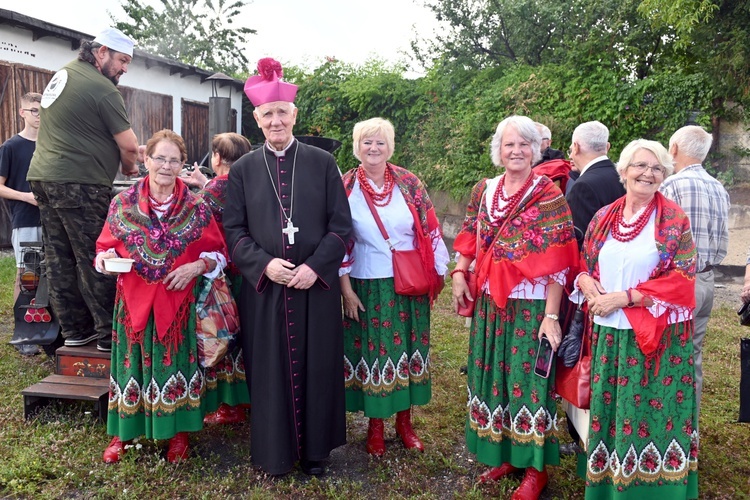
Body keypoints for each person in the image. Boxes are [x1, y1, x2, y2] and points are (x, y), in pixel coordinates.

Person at [224, 58, 353, 476]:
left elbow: (341, 226)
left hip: (314, 287)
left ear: (294, 115)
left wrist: (316, 268)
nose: (275, 120)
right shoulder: (242, 170)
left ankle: (316, 452)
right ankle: (275, 451)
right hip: (268, 290)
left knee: (317, 365)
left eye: (282, 112)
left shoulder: (322, 163)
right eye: (267, 114)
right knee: (270, 368)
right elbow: (234, 230)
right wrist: (264, 265)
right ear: (257, 119)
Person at [95, 129, 246, 464]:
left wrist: (195, 267)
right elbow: (104, 246)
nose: (166, 165)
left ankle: (178, 435)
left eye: (173, 160)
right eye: (159, 158)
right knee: (128, 367)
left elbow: (219, 253)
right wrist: (104, 260)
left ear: (182, 165)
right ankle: (122, 434)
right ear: (146, 160)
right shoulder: (122, 203)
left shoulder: (196, 206)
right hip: (132, 301)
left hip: (178, 303)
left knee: (177, 366)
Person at [451, 115, 578, 499]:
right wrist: (460, 272)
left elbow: (561, 262)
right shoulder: (484, 190)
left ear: (536, 149)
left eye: (524, 144)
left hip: (532, 306)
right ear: (498, 150)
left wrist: (551, 316)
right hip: (491, 303)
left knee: (529, 385)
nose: (517, 151)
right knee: (493, 378)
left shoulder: (549, 194)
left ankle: (534, 470)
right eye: (509, 144)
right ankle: (505, 453)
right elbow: (469, 236)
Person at [574, 139, 698, 498]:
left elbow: (683, 280)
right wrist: (585, 282)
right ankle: (608, 488)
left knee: (648, 417)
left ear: (664, 174)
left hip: (655, 341)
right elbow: (586, 264)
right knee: (612, 413)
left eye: (657, 167)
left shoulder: (674, 219)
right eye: (640, 166)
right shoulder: (604, 217)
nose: (648, 173)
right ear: (624, 171)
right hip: (609, 338)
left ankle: (652, 491)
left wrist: (626, 297)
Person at [340, 117, 449, 457]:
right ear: (357, 147)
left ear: (391, 147)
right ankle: (375, 426)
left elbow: (430, 230)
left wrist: (436, 275)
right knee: (374, 355)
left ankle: (405, 422)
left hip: (409, 285)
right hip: (365, 284)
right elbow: (337, 241)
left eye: (380, 142)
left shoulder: (409, 183)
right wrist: (345, 290)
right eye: (366, 142)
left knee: (409, 352)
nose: (373, 148)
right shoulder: (344, 186)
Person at [26, 27, 139, 352]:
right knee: (97, 256)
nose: (124, 68)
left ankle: (76, 332)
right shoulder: (103, 89)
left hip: (44, 178)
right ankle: (108, 337)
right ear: (101, 52)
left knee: (58, 257)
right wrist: (131, 168)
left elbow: (81, 130)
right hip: (79, 184)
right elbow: (129, 146)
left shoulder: (64, 74)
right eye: (122, 60)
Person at [183, 132, 253, 426]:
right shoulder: (251, 183)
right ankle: (248, 399)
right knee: (247, 335)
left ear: (217, 158)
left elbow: (193, 221)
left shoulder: (213, 190)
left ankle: (229, 405)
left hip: (221, 275)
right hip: (249, 270)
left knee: (222, 334)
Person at [660, 125, 729, 415]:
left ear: (673, 149)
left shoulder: (671, 186)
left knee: (666, 355)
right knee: (693, 355)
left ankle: (666, 423)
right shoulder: (719, 187)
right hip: (707, 280)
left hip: (678, 281)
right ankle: (690, 427)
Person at [565, 121, 625, 248]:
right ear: (607, 147)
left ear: (576, 147)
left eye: (570, 149)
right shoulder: (623, 175)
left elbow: (578, 241)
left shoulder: (582, 186)